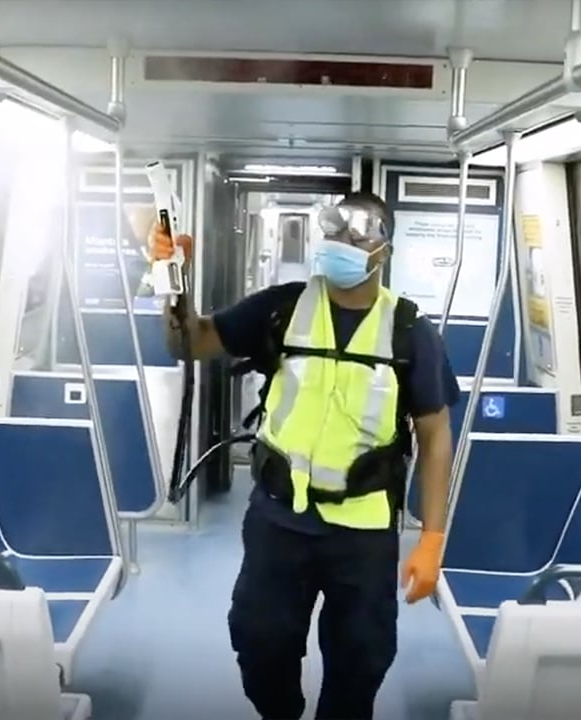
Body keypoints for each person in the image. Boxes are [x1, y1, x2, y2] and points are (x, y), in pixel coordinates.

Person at [151, 191, 460, 720]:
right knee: (258, 642)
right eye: (333, 232)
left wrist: (432, 538)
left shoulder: (411, 331)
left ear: (381, 252)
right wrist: (170, 283)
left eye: (354, 236)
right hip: (279, 518)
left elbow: (434, 434)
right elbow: (189, 343)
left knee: (360, 662)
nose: (339, 244)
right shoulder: (282, 308)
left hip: (363, 531)